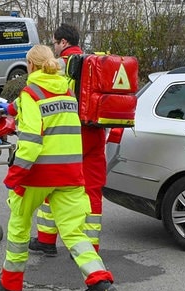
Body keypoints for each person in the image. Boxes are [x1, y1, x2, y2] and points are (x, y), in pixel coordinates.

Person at [0, 44, 121, 291]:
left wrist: (14, 177)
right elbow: (41, 116)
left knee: (19, 225)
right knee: (75, 234)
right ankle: (102, 286)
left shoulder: (31, 93)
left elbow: (31, 144)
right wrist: (10, 108)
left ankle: (10, 284)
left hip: (39, 175)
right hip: (71, 175)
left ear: (31, 66)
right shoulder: (68, 92)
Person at [29, 23, 108, 256]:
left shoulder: (61, 66)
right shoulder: (94, 63)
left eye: (54, 43)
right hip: (95, 132)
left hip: (69, 135)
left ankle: (46, 240)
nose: (53, 48)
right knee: (92, 190)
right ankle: (91, 246)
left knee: (51, 184)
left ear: (63, 42)